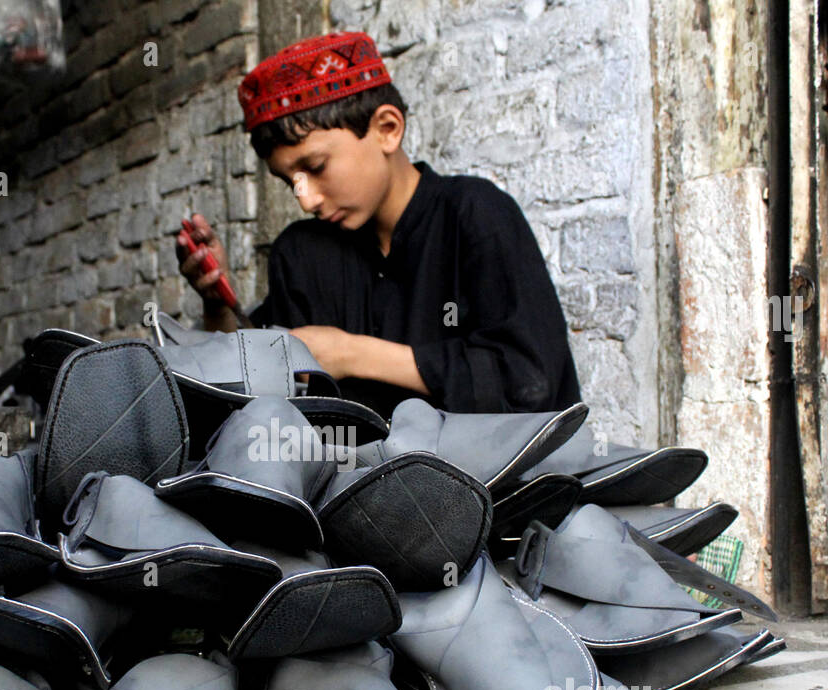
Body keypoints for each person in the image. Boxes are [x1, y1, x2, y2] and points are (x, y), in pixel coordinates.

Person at [177, 30, 581, 418]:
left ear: (387, 129)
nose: (307, 199)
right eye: (289, 182)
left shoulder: (476, 215)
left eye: (316, 167)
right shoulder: (301, 254)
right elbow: (251, 393)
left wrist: (353, 354)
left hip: (495, 486)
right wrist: (218, 302)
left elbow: (529, 384)